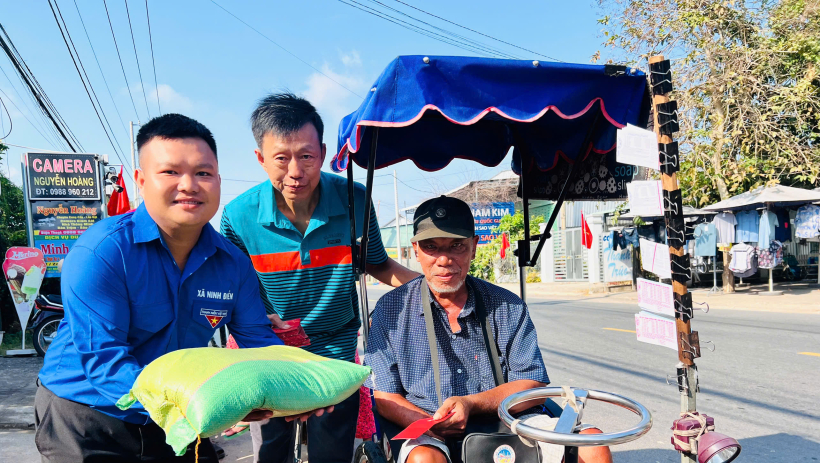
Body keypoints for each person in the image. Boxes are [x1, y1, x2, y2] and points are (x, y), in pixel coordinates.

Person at [35, 114, 328, 463]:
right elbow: (105, 364)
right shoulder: (103, 252)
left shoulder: (233, 264)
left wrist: (294, 389)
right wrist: (208, 408)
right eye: (170, 172)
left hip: (181, 409)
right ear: (141, 181)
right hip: (88, 416)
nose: (189, 185)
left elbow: (258, 341)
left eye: (203, 173)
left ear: (219, 180)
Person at [219, 93, 418, 462]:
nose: (296, 171)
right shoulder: (238, 216)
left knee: (332, 452)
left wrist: (435, 290)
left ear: (323, 153)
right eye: (281, 158)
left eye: (306, 156)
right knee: (271, 450)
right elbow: (233, 288)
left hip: (334, 350)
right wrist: (258, 325)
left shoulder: (354, 200)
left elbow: (380, 265)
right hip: (269, 348)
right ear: (260, 159)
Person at [366, 196, 613, 463]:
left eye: (457, 246)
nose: (444, 259)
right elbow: (383, 395)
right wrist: (428, 422)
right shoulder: (390, 310)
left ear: (474, 247)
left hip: (508, 420)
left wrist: (471, 405)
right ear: (416, 250)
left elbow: (531, 381)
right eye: (431, 247)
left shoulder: (507, 305)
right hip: (428, 426)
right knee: (424, 459)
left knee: (592, 446)